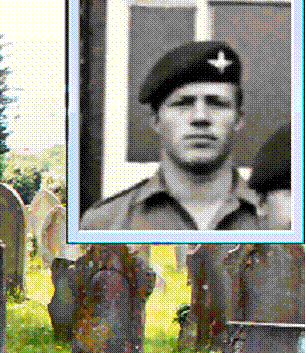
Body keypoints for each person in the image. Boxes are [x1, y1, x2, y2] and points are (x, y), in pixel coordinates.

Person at [81, 41, 289, 231]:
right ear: (156, 120)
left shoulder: (281, 218)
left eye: (217, 104)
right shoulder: (106, 223)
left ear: (238, 119)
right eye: (182, 103)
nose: (200, 117)